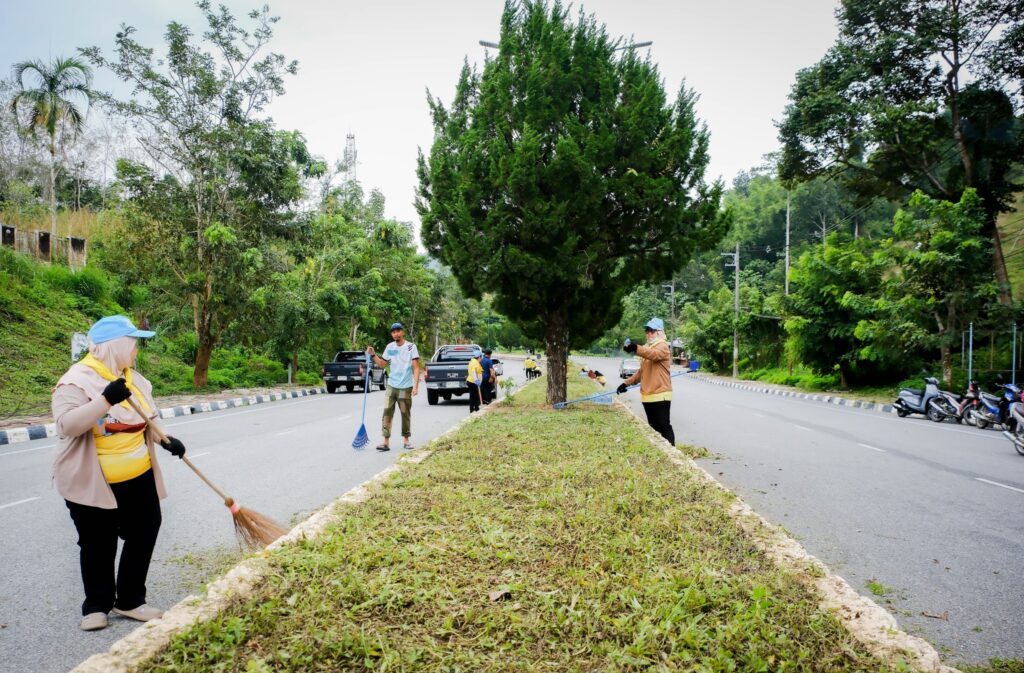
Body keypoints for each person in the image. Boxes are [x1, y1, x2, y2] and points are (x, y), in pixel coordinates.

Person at [52, 315, 187, 632]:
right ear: (115, 346)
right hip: (93, 482)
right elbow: (67, 426)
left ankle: (129, 600)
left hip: (138, 477)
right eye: (132, 344)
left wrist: (166, 439)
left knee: (145, 530)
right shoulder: (75, 381)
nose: (136, 350)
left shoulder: (134, 380)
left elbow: (150, 416)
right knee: (97, 543)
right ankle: (96, 605)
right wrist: (104, 400)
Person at [617, 317, 675, 445]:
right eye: (647, 331)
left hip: (660, 394)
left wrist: (635, 348)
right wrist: (625, 383)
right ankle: (660, 451)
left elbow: (653, 354)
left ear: (659, 332)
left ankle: (672, 451)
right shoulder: (647, 348)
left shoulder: (663, 346)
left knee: (664, 426)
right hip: (647, 396)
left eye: (652, 331)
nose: (648, 333)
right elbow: (641, 373)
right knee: (653, 428)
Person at [367, 323, 420, 451]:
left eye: (398, 331)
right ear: (392, 334)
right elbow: (382, 364)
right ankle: (385, 442)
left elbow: (416, 367)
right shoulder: (390, 347)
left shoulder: (411, 347)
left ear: (403, 332)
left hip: (405, 387)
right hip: (391, 386)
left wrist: (416, 386)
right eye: (393, 332)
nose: (396, 334)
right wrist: (373, 355)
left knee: (405, 413)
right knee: (387, 412)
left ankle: (406, 440)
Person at [466, 349, 484, 413]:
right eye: (481, 357)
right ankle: (474, 408)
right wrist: (476, 380)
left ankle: (475, 408)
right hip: (473, 382)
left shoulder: (472, 361)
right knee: (474, 396)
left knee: (474, 395)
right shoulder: (475, 363)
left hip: (471, 381)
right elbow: (474, 372)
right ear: (479, 357)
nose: (482, 358)